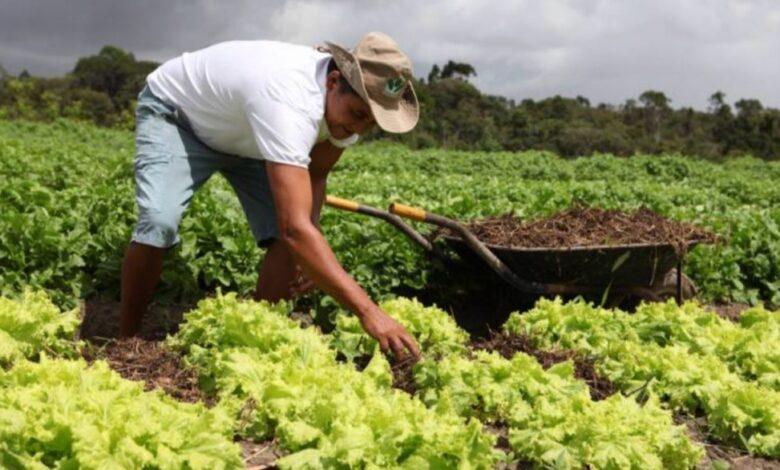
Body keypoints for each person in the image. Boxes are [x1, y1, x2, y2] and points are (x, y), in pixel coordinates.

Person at [119, 32, 421, 360]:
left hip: (251, 137)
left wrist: (310, 249)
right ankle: (126, 342)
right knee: (159, 222)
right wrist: (369, 312)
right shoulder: (289, 99)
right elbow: (295, 229)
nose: (360, 129)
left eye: (371, 123)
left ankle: (255, 342)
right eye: (358, 115)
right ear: (333, 81)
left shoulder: (345, 114)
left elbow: (316, 174)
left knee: (291, 241)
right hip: (181, 117)